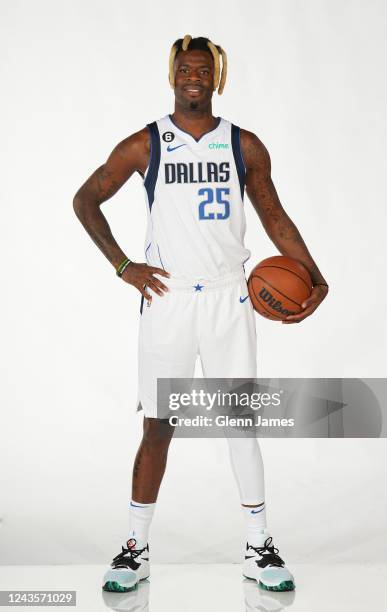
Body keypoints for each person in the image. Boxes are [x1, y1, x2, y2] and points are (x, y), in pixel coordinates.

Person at [73, 35, 328, 594]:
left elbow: (275, 217)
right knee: (159, 426)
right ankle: (135, 549)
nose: (194, 78)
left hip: (228, 297)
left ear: (217, 78)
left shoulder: (244, 145)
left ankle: (259, 547)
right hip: (167, 300)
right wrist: (123, 266)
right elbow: (85, 199)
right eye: (185, 69)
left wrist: (313, 273)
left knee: (241, 424)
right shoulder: (147, 143)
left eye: (203, 71)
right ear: (172, 75)